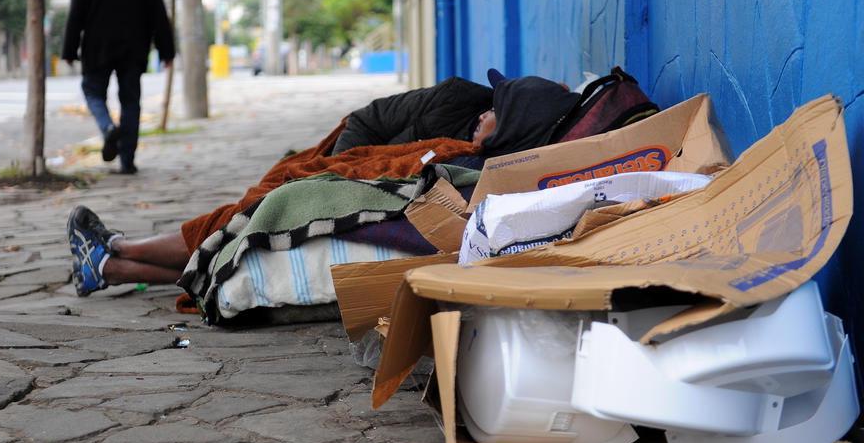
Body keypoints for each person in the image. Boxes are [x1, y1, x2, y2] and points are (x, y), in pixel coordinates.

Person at [66, 72, 581, 297]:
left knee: (241, 224)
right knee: (255, 207)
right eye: (492, 103)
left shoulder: (479, 164)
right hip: (338, 158)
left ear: (513, 132)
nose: (488, 110)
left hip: (356, 195)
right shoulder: (451, 100)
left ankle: (111, 260)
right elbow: (368, 120)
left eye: (500, 112)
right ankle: (113, 255)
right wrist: (336, 170)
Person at [62, 0, 175, 174]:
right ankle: (127, 161)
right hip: (134, 49)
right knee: (131, 102)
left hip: (97, 48)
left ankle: (107, 127)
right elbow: (158, 12)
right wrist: (166, 51)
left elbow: (76, 12)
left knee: (92, 92)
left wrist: (69, 50)